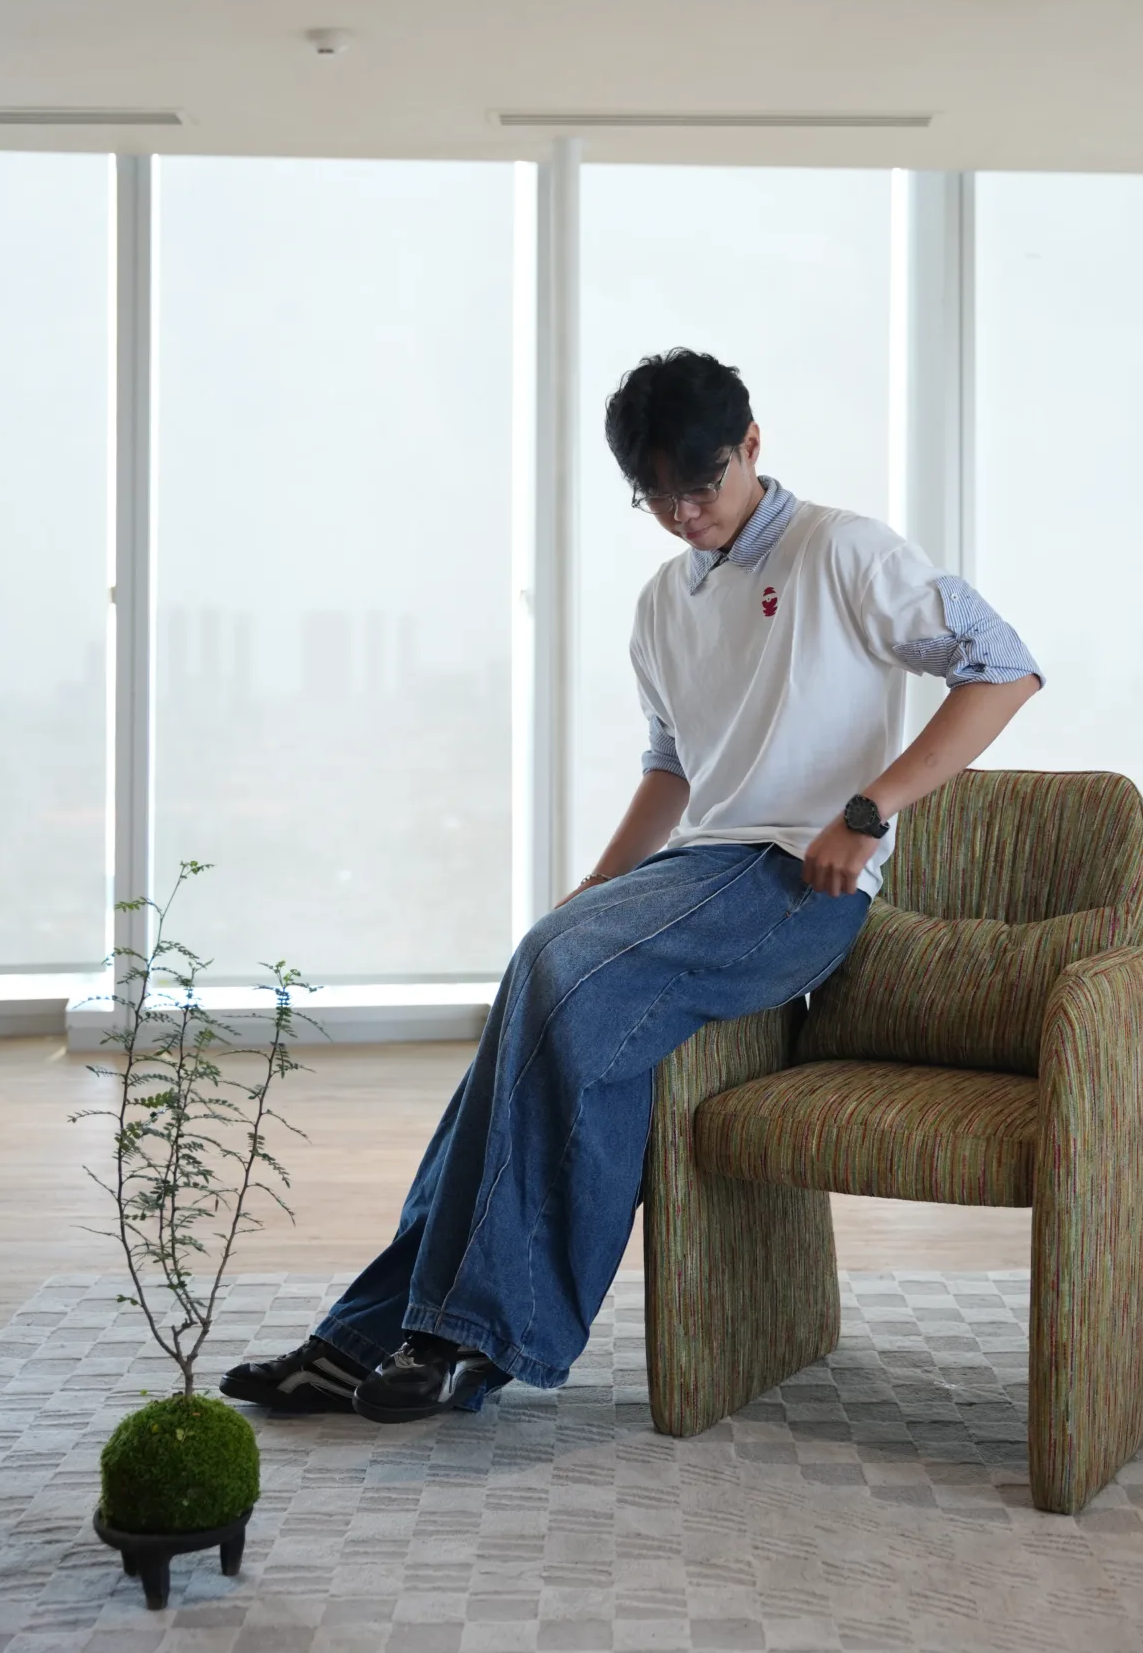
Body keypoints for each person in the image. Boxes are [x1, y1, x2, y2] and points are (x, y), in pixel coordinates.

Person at [222, 349, 1041, 1424]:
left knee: (558, 973)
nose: (683, 513)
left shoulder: (841, 549)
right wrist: (597, 884)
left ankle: (481, 1337)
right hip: (696, 872)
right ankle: (365, 1337)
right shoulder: (662, 601)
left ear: (750, 445)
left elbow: (1004, 665)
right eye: (656, 497)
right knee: (532, 984)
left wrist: (869, 810)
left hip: (796, 884)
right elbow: (671, 769)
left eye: (700, 485)